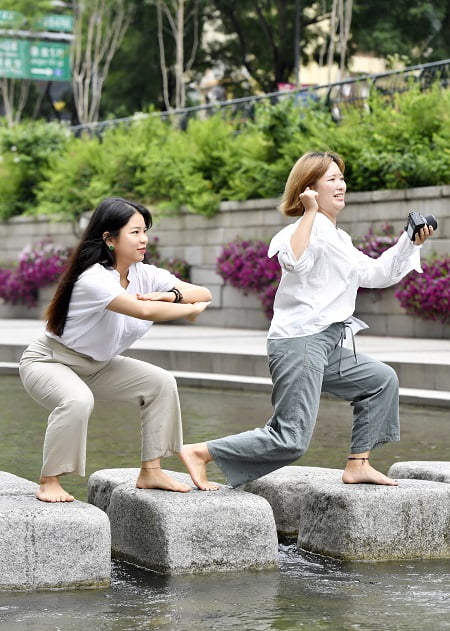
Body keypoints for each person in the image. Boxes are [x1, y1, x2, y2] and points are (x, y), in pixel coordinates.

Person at [181, 151, 435, 491]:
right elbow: (294, 261)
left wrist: (408, 240)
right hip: (299, 342)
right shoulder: (297, 231)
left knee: (380, 381)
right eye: (332, 179)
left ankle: (358, 464)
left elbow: (375, 273)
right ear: (308, 189)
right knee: (291, 438)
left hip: (327, 342)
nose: (341, 185)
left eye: (341, 178)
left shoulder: (338, 237)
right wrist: (311, 212)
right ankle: (202, 452)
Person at [19, 197, 211, 502]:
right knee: (77, 400)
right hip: (50, 360)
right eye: (135, 232)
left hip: (99, 365)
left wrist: (170, 297)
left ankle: (151, 471)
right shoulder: (93, 278)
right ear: (109, 239)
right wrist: (186, 309)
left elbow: (203, 293)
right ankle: (49, 480)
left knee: (161, 383)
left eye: (145, 231)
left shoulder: (145, 274)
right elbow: (144, 311)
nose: (144, 239)